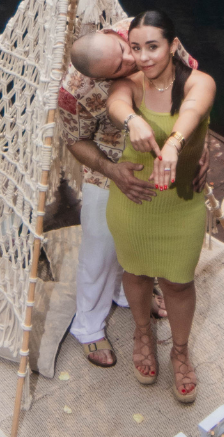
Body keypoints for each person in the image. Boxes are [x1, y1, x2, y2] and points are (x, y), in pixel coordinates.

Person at [57, 22, 200, 369]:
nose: (132, 60)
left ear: (113, 34)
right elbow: (75, 141)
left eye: (124, 50)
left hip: (166, 151)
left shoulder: (144, 36)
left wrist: (200, 145)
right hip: (111, 166)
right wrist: (111, 171)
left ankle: (128, 294)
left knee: (150, 236)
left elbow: (195, 85)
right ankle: (88, 327)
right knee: (101, 247)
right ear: (101, 79)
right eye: (119, 67)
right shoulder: (73, 93)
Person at [105, 10, 216, 406]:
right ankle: (141, 333)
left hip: (181, 204)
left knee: (179, 282)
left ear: (172, 45)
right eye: (136, 48)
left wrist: (175, 142)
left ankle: (180, 351)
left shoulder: (199, 82)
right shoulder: (128, 84)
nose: (144, 57)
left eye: (153, 47)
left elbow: (192, 111)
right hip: (135, 202)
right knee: (135, 272)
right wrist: (132, 118)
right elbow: (116, 103)